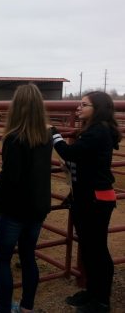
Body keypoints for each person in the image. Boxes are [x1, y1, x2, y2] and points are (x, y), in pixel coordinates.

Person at [50, 91, 121, 313]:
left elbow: (70, 152)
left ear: (97, 109)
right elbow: (85, 159)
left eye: (84, 105)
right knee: (90, 249)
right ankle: (92, 292)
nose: (78, 108)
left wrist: (54, 135)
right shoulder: (94, 131)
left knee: (97, 250)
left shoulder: (98, 132)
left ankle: (101, 301)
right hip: (88, 199)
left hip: (96, 200)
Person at [0, 84, 52, 313]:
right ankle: (27, 307)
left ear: (16, 107)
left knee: (2, 260)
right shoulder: (46, 137)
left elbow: (10, 178)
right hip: (38, 209)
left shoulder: (14, 138)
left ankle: (4, 309)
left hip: (14, 210)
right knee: (28, 258)